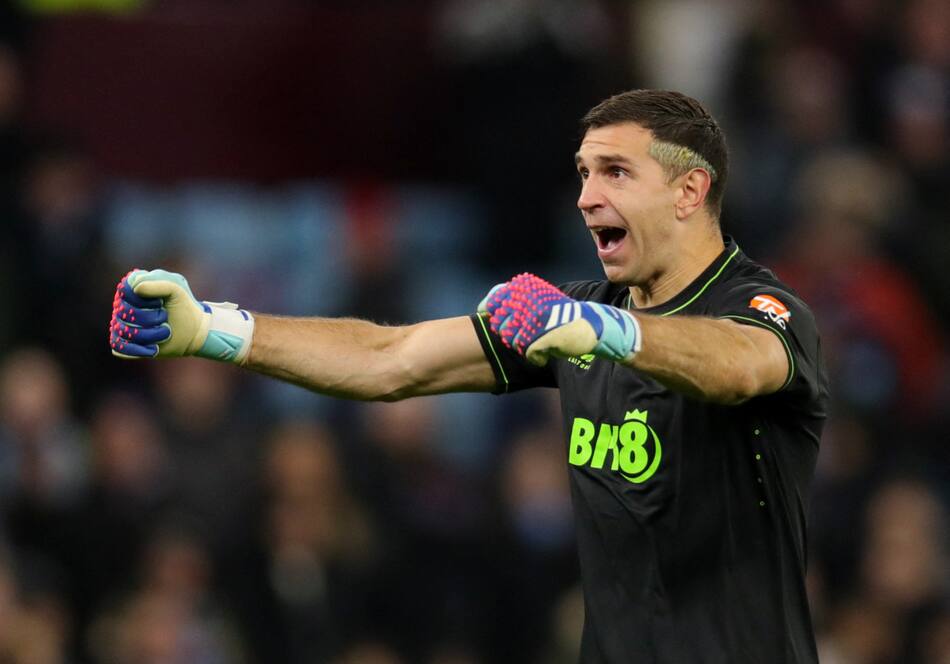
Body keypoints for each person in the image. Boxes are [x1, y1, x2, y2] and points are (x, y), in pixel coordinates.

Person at [108, 89, 829, 664]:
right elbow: (391, 361)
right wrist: (212, 329)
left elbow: (740, 366)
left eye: (615, 172)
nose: (584, 197)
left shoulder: (764, 309)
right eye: (582, 173)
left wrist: (608, 333)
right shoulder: (575, 317)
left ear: (688, 190)